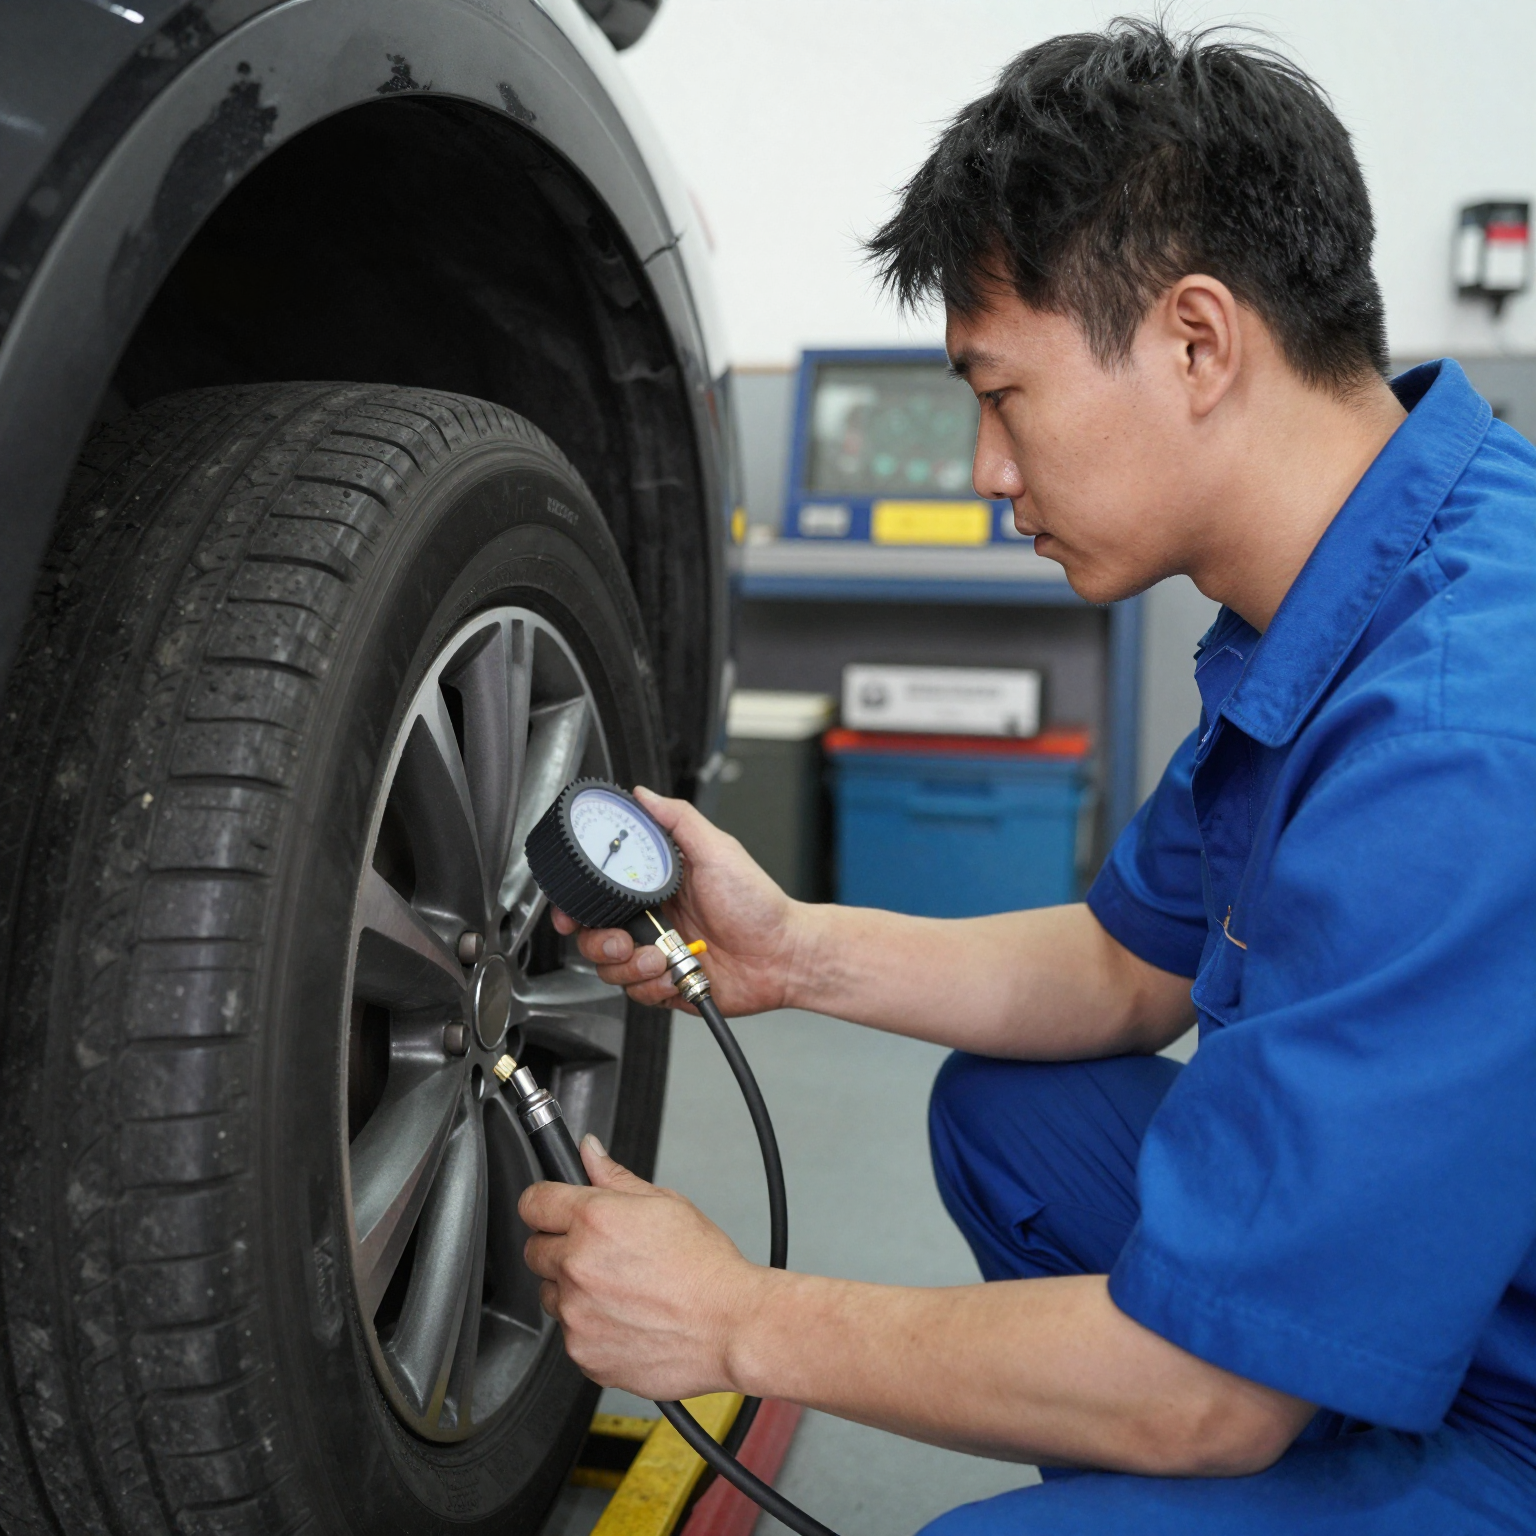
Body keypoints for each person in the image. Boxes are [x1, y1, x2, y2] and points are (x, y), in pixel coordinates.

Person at [519, 19, 1536, 1532]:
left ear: (1198, 342)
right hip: (1469, 1277)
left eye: (1001, 396)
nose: (988, 471)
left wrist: (735, 1316)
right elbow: (1130, 969)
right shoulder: (1374, 562)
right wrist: (789, 949)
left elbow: (1204, 1392)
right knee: (1014, 1116)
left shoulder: (1455, 735)